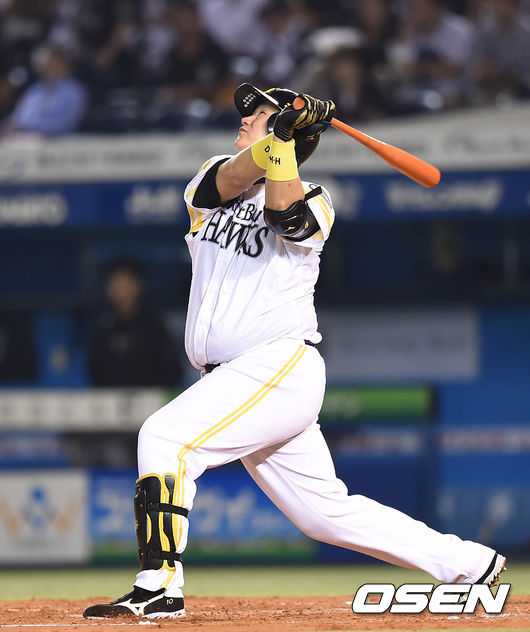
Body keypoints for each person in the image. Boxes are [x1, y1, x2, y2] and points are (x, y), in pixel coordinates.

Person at [83, 83, 505, 620]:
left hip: (276, 364)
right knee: (323, 515)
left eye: (260, 114)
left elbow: (286, 214)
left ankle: (159, 584)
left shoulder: (318, 201)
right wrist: (277, 135)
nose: (244, 119)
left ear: (292, 136)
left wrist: (285, 140)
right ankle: (471, 564)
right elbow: (233, 177)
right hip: (237, 377)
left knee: (165, 437)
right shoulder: (212, 178)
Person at [89, 259, 182, 388]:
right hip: (111, 397)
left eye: (125, 282)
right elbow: (95, 372)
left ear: (139, 285)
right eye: (115, 282)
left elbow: (173, 369)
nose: (120, 288)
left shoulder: (153, 325)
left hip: (152, 397)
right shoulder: (104, 326)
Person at [2, 45, 87, 136]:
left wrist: (31, 129)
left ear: (63, 63)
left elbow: (65, 124)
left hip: (59, 140)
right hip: (25, 138)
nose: (47, 68)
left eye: (52, 63)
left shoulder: (74, 91)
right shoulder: (34, 91)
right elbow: (17, 118)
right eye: (43, 65)